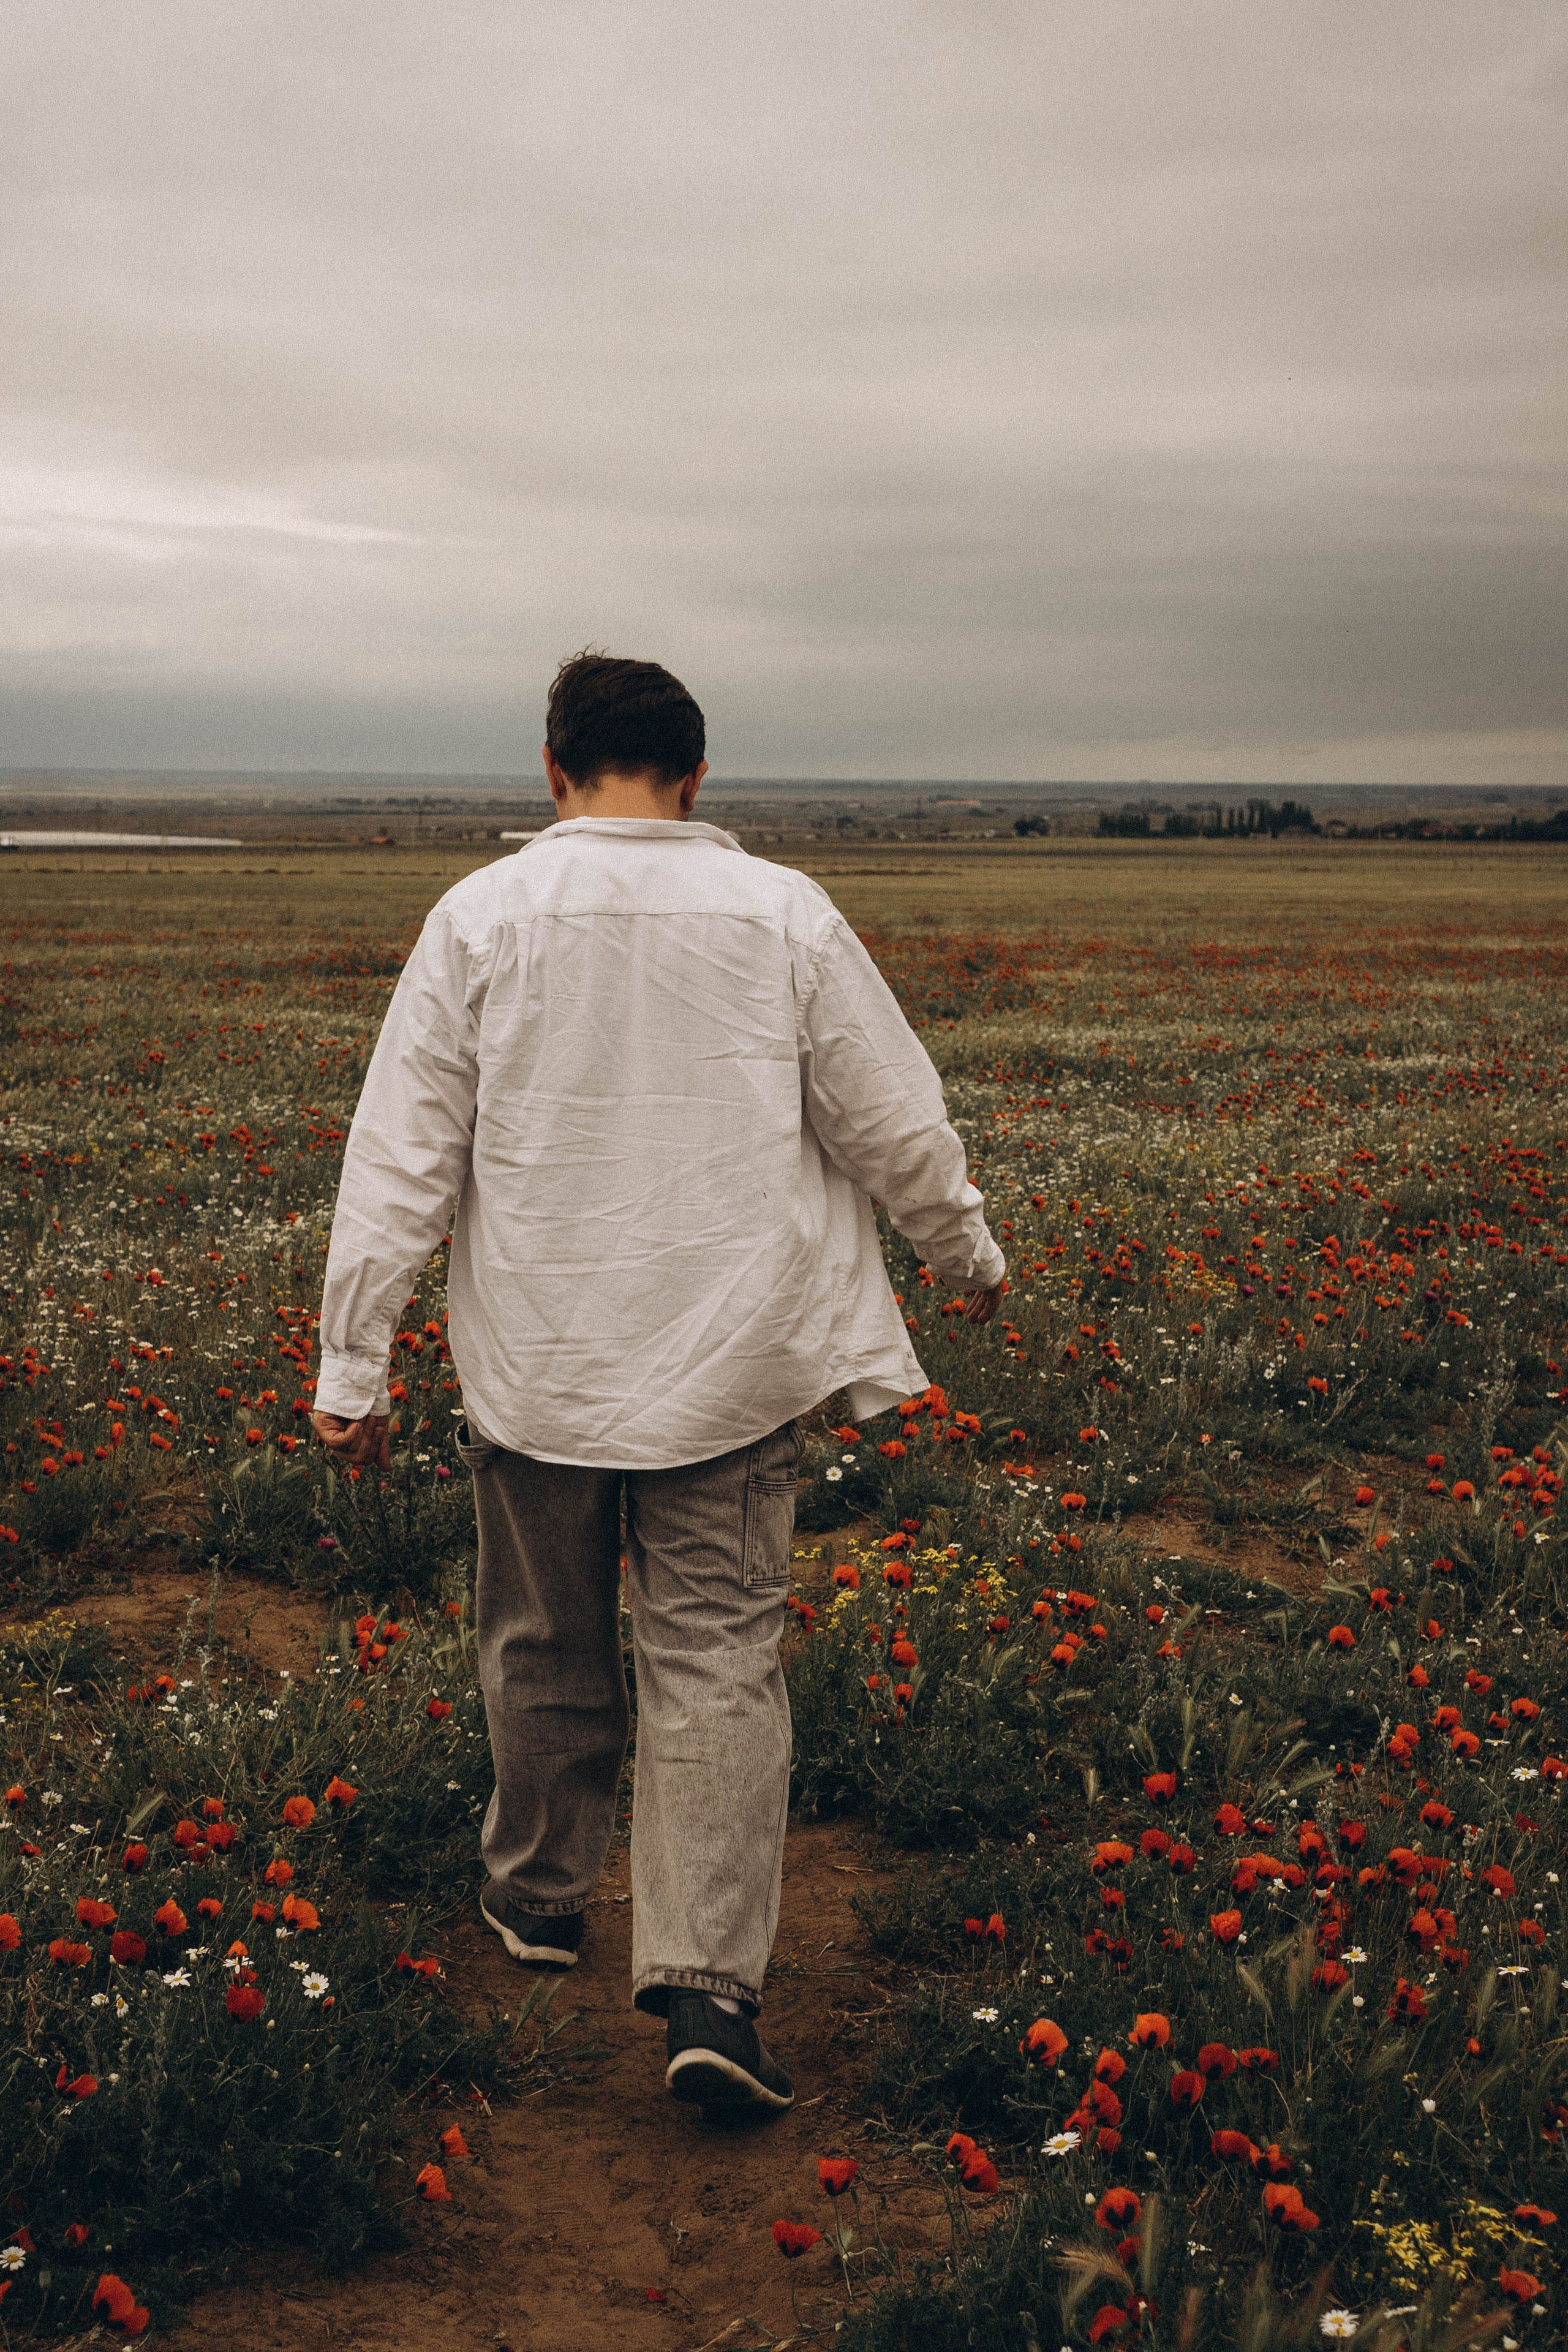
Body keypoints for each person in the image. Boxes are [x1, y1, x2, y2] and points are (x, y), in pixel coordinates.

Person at [312, 651, 1005, 2114]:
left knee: (540, 1636)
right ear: (694, 776)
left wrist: (352, 1364)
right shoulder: (783, 914)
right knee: (714, 1661)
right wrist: (962, 1249)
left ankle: (543, 1898)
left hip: (538, 1363)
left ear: (554, 769)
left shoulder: (479, 917)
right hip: (733, 1366)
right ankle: (707, 1990)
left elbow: (401, 1157)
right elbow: (890, 1113)